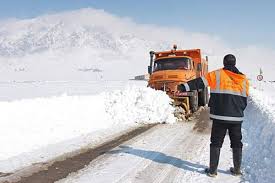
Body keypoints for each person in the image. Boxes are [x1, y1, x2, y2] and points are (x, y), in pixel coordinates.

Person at [177, 54, 249, 177]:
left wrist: (183, 86)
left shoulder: (217, 75)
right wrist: (238, 110)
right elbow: (244, 98)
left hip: (220, 117)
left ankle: (212, 171)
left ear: (224, 62)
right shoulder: (243, 79)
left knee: (216, 142)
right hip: (237, 117)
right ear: (235, 63)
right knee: (237, 143)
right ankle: (237, 170)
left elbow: (199, 82)